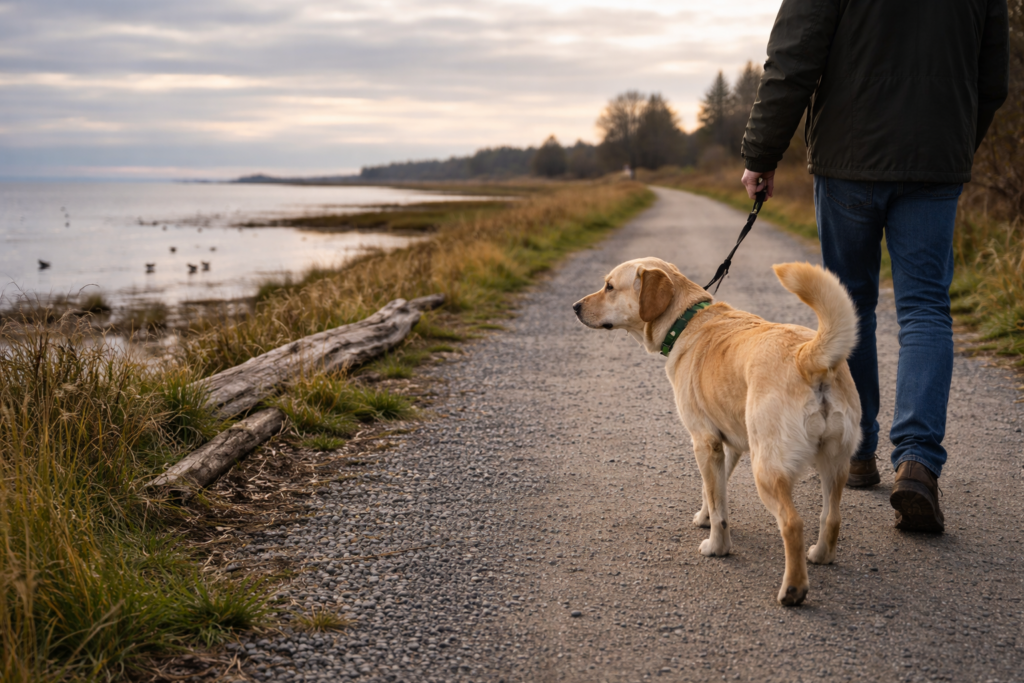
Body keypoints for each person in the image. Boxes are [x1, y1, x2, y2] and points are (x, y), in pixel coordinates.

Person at [738, 0, 1009, 533]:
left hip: (850, 155)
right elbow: (992, 78)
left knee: (850, 305)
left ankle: (857, 451)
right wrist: (952, 144)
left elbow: (793, 59)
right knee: (926, 308)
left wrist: (762, 153)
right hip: (935, 157)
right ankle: (918, 463)